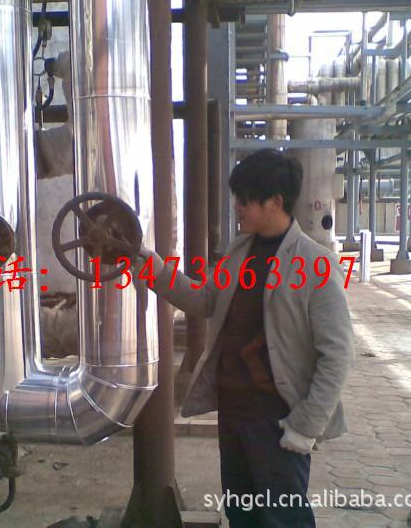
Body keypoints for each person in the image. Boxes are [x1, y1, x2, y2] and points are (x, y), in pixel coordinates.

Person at [136, 148, 355, 527]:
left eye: (245, 199)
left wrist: (306, 425)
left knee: (283, 519)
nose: (237, 206)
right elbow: (205, 300)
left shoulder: (315, 264)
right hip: (235, 411)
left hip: (278, 420)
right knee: (242, 513)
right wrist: (155, 270)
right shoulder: (240, 252)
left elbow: (338, 354)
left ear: (275, 202)